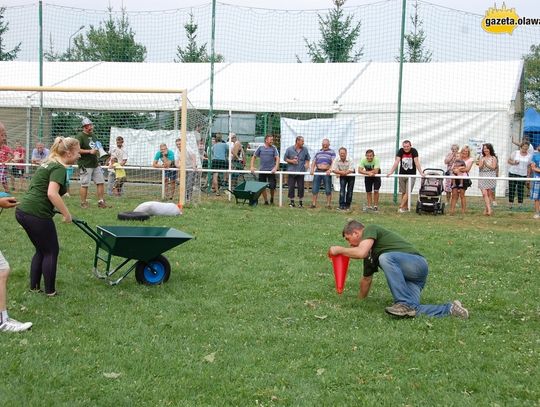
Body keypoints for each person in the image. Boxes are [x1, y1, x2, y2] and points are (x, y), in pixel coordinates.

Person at [328, 220, 469, 319]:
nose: (348, 243)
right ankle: (451, 309)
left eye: (348, 239)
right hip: (411, 278)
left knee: (385, 258)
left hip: (417, 264)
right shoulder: (370, 255)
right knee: (411, 310)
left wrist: (340, 250)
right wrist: (358, 302)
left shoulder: (370, 229)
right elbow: (366, 279)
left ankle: (402, 302)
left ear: (357, 232)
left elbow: (360, 252)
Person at [15, 137, 79, 297]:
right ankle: (50, 291)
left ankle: (34, 287)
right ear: (69, 152)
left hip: (23, 211)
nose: (79, 155)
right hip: (36, 213)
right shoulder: (58, 167)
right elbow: (52, 193)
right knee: (51, 251)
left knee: (41, 250)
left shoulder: (49, 163)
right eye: (78, 152)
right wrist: (67, 214)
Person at [74, 118, 109, 209]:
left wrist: (100, 150)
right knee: (85, 184)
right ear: (84, 127)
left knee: (100, 182)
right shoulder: (79, 136)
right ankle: (83, 203)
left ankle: (101, 201)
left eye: (91, 125)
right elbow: (77, 149)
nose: (91, 127)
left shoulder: (93, 135)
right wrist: (89, 151)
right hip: (85, 164)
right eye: (89, 126)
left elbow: (96, 145)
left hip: (95, 163)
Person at [387, 140, 424, 213]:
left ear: (410, 146)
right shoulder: (400, 151)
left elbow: (416, 162)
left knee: (408, 192)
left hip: (411, 175)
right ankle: (405, 207)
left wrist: (421, 173)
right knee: (403, 192)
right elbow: (396, 162)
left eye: (407, 146)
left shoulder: (414, 151)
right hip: (402, 174)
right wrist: (391, 172)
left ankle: (400, 206)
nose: (406, 148)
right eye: (404, 146)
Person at [250, 134, 279, 205]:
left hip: (271, 171)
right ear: (266, 140)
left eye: (272, 140)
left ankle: (272, 198)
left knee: (272, 186)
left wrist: (275, 167)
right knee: (262, 187)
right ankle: (266, 201)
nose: (272, 141)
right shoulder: (260, 147)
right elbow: (254, 157)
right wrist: (252, 166)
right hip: (262, 170)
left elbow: (277, 158)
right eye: (271, 139)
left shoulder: (274, 148)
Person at [284, 136, 310, 208]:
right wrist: (291, 161)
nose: (303, 143)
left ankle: (300, 203)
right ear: (297, 141)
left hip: (301, 172)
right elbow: (285, 158)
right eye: (302, 141)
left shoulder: (305, 150)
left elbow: (308, 158)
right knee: (291, 187)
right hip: (291, 171)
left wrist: (307, 164)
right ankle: (292, 202)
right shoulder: (289, 149)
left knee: (301, 187)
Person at [310, 138, 336, 209]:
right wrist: (312, 169)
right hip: (318, 171)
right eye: (323, 145)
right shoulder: (318, 152)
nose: (324, 146)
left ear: (329, 145)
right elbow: (314, 162)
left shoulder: (332, 152)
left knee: (328, 188)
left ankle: (328, 205)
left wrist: (330, 170)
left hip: (326, 172)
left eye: (326, 145)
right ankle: (313, 204)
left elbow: (334, 162)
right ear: (322, 144)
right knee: (315, 188)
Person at [449, 145, 474, 215]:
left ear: (468, 152)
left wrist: (459, 169)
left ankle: (463, 211)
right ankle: (452, 211)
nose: (465, 152)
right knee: (454, 194)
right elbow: (452, 167)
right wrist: (455, 170)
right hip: (455, 178)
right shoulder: (457, 158)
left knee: (462, 194)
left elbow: (467, 169)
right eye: (463, 151)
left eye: (466, 151)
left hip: (463, 178)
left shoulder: (470, 159)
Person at [507, 141, 532, 210]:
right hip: (513, 173)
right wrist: (513, 163)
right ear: (521, 146)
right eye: (524, 147)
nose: (525, 148)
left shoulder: (529, 156)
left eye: (526, 147)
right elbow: (508, 160)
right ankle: (510, 204)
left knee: (520, 190)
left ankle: (520, 205)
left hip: (523, 174)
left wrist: (528, 176)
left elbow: (529, 166)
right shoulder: (515, 152)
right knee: (512, 189)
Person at [175, 137, 198, 204]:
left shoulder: (188, 149)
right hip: (183, 169)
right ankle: (183, 198)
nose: (179, 145)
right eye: (177, 144)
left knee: (189, 184)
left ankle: (189, 198)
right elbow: (176, 163)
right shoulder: (177, 151)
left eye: (180, 144)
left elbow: (193, 156)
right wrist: (180, 166)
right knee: (183, 184)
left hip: (191, 168)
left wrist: (194, 166)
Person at [477, 143, 498, 216]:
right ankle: (489, 210)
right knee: (484, 193)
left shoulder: (493, 158)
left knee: (489, 194)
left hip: (490, 175)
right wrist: (482, 164)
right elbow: (480, 167)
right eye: (484, 148)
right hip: (482, 175)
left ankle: (487, 209)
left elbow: (493, 167)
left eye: (487, 148)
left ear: (490, 149)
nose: (485, 150)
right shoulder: (481, 158)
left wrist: (486, 164)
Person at [331, 147, 355, 211]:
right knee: (342, 190)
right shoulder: (336, 159)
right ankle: (341, 205)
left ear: (346, 153)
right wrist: (341, 172)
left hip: (350, 174)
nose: (342, 154)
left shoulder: (350, 159)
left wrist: (344, 172)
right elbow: (333, 169)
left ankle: (347, 206)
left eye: (343, 153)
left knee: (350, 190)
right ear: (339, 153)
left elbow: (351, 170)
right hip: (342, 173)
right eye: (341, 153)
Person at [0, 123, 13, 193]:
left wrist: (6, 161)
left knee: (2, 178)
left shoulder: (6, 148)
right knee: (3, 179)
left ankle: (7, 190)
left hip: (3, 165)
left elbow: (12, 155)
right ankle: (7, 190)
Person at [530, 144, 540, 219]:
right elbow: (533, 167)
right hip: (537, 178)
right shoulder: (535, 156)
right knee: (536, 197)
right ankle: (537, 212)